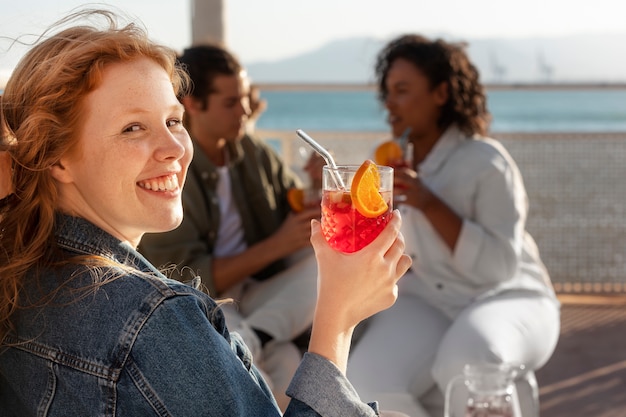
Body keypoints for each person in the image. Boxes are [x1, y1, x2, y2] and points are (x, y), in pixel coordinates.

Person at [0, 9, 412, 416]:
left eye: (174, 121)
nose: (176, 149)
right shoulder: (156, 322)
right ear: (57, 158)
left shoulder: (18, 280)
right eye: (133, 128)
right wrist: (337, 321)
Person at [346, 34, 561, 417]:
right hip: (429, 298)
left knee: (467, 366)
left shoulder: (486, 162)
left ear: (441, 94)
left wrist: (428, 203)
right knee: (363, 380)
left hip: (504, 295)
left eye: (402, 90)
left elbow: (499, 268)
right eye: (387, 92)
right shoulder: (390, 167)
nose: (389, 104)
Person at [137, 43, 321, 410]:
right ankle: (261, 337)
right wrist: (278, 246)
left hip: (258, 296)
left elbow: (295, 204)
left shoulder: (253, 154)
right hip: (208, 302)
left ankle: (257, 336)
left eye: (246, 99)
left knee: (329, 269)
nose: (247, 110)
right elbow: (188, 278)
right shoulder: (169, 174)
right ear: (193, 104)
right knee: (284, 362)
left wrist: (316, 190)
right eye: (231, 102)